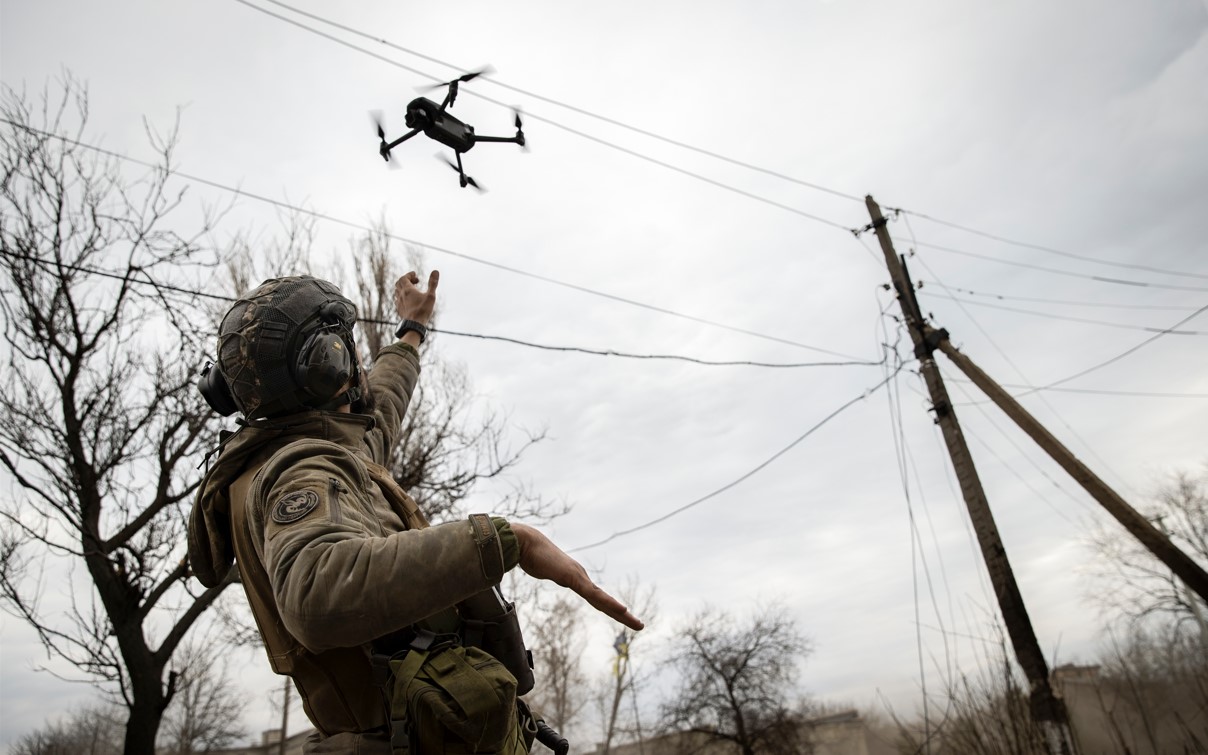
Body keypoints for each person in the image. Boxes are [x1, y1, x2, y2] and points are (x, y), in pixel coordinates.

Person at [188, 271, 642, 753]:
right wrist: (506, 540)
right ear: (330, 363)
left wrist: (412, 329)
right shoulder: (305, 470)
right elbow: (316, 590)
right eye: (343, 346)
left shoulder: (315, 452)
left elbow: (380, 410)